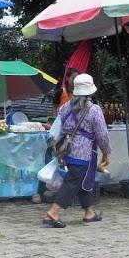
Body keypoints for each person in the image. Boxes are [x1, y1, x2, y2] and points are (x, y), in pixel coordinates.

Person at [43, 73, 111, 227]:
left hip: (66, 149)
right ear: (91, 91)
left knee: (81, 179)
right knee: (73, 181)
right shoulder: (94, 110)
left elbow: (57, 128)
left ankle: (89, 212)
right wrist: (106, 152)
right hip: (83, 152)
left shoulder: (66, 107)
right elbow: (102, 134)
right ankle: (53, 212)